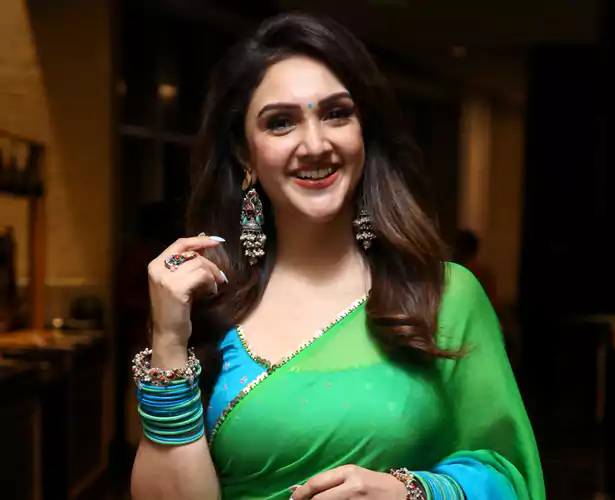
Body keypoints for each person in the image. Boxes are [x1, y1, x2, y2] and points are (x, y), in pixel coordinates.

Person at [130, 12, 545, 500]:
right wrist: (169, 340)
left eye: (336, 114)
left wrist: (409, 492)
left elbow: (508, 473)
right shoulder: (208, 303)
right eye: (280, 123)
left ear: (363, 131)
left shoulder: (440, 296)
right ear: (245, 153)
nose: (315, 144)